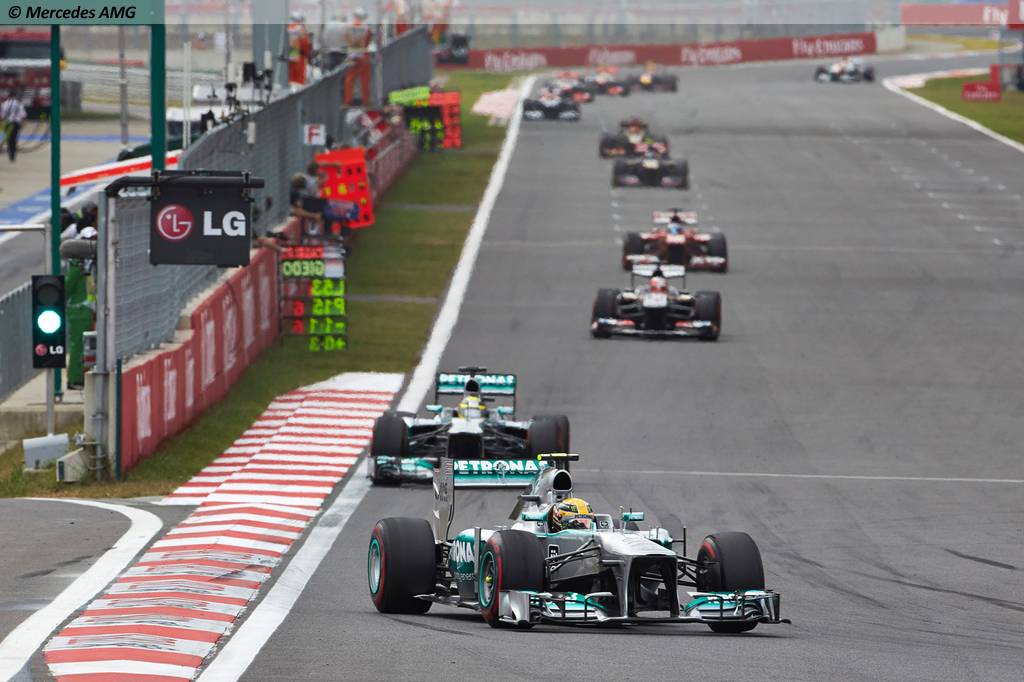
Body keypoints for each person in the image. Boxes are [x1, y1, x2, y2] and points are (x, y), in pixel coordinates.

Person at [343, 7, 375, 105]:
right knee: (365, 80)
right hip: (363, 55)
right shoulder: (366, 28)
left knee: (349, 79)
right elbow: (368, 41)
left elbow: (345, 39)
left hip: (351, 55)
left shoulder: (348, 27)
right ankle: (366, 101)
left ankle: (348, 101)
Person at [1, 90, 27, 162]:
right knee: (14, 138)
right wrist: (23, 123)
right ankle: (13, 153)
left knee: (9, 138)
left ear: (8, 96)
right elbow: (23, 115)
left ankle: (10, 151)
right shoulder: (19, 104)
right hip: (16, 123)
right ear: (15, 96)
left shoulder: (4, 104)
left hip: (7, 123)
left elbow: (2, 115)